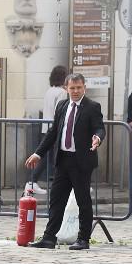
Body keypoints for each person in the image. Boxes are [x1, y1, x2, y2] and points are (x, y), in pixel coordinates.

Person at [24, 73, 104, 250]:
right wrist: (39, 153)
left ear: (84, 88)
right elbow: (53, 133)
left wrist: (97, 138)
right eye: (72, 88)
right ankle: (49, 238)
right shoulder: (62, 105)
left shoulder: (92, 107)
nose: (75, 91)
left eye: (79, 88)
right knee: (56, 200)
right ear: (66, 88)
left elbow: (99, 127)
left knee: (83, 200)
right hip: (63, 159)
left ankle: (83, 239)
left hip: (82, 161)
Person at [27, 66, 68, 195]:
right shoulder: (62, 92)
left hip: (46, 126)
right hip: (55, 128)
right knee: (53, 157)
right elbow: (60, 110)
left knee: (46, 157)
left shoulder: (49, 91)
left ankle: (32, 182)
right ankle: (33, 182)